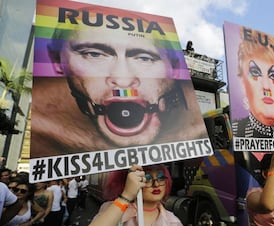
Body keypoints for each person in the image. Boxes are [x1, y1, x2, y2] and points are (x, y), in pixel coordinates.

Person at [31, 12, 207, 158]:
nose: (123, 81)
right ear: (57, 61)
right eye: (94, 54)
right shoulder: (42, 138)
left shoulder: (197, 135)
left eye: (144, 58)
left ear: (174, 67)